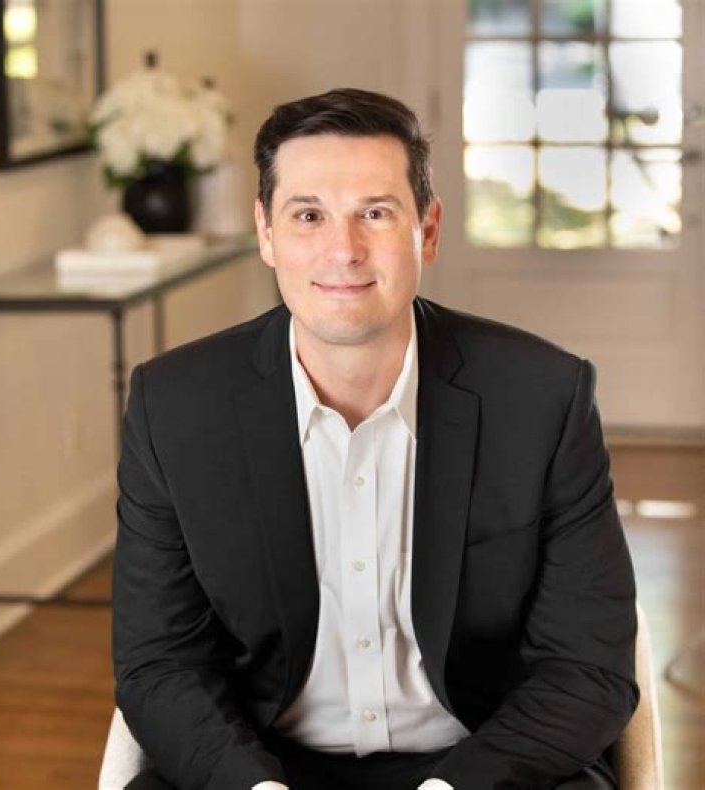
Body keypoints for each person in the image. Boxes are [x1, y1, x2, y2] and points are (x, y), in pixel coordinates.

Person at [113, 88, 638, 790]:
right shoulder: (174, 406)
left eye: (375, 213)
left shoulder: (543, 397)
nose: (344, 250)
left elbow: (587, 666)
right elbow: (161, 663)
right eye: (308, 215)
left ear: (428, 229)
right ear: (266, 233)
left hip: (484, 764)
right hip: (260, 765)